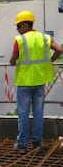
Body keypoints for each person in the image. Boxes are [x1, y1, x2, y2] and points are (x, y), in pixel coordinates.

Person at [9, 10, 62, 154]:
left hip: (24, 82)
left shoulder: (20, 40)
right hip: (39, 82)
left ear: (25, 25)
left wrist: (14, 61)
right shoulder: (45, 38)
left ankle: (22, 145)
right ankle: (37, 143)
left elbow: (12, 61)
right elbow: (59, 49)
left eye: (18, 26)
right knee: (38, 113)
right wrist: (50, 60)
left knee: (23, 114)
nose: (18, 29)